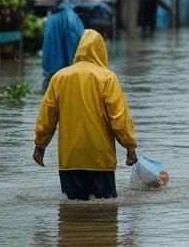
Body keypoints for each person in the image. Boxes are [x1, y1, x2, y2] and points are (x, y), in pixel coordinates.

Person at [32, 28, 137, 200]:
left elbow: (47, 116)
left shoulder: (59, 77)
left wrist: (40, 144)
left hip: (69, 162)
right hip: (100, 161)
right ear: (101, 50)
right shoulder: (107, 78)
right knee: (104, 214)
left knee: (71, 214)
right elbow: (119, 118)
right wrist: (129, 146)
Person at [41, 1, 85, 91]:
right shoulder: (72, 17)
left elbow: (46, 48)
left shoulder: (51, 19)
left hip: (51, 73)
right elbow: (77, 43)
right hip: (69, 73)